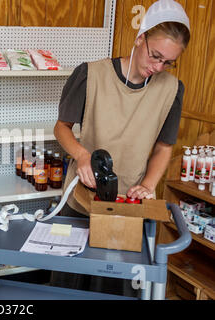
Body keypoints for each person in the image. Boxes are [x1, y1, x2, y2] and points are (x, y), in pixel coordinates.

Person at [51, 0, 191, 296]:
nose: (158, 67)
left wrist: (148, 184)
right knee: (69, 285)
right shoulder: (91, 75)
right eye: (155, 56)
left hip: (126, 207)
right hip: (81, 200)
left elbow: (164, 147)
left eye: (168, 63)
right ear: (140, 38)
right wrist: (82, 155)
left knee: (113, 287)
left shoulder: (171, 89)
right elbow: (61, 128)